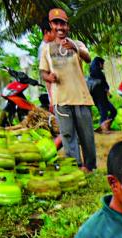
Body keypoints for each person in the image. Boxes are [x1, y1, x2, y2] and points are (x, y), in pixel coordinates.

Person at [39, 8, 96, 171]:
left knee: (86, 136)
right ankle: (74, 167)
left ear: (67, 26)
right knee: (68, 134)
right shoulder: (46, 49)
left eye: (62, 24)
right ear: (51, 25)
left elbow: (88, 57)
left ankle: (89, 166)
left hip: (81, 96)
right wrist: (49, 78)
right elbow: (43, 72)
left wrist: (74, 48)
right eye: (56, 23)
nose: (60, 27)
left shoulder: (77, 44)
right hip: (60, 99)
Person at [87, 57, 117, 133]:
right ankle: (104, 128)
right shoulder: (99, 73)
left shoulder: (91, 74)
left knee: (109, 111)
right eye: (103, 63)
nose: (103, 65)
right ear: (99, 63)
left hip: (95, 98)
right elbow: (103, 85)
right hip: (101, 97)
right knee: (107, 112)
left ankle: (105, 126)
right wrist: (108, 92)